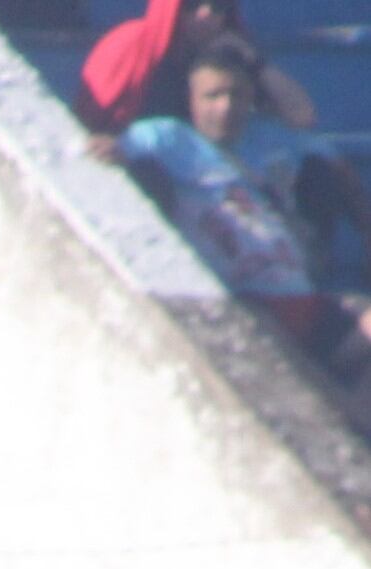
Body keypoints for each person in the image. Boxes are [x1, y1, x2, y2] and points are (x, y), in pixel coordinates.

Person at [113, 45, 371, 376]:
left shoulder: (269, 136)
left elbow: (326, 149)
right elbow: (116, 153)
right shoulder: (168, 137)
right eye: (213, 96)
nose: (226, 107)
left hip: (300, 298)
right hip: (246, 303)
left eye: (237, 95)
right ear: (190, 98)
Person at [81, 0, 314, 135]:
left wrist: (254, 61)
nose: (206, 14)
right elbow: (94, 124)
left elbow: (302, 117)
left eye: (218, 6)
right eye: (192, 4)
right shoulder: (132, 43)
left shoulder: (230, 56)